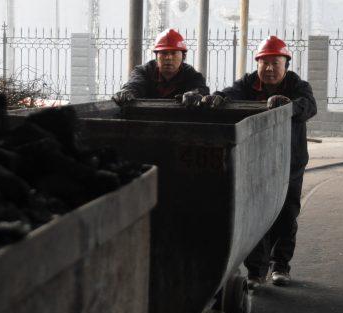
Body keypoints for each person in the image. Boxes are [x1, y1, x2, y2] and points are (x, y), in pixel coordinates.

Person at [202, 36, 317, 288]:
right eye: (264, 63)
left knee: (287, 214)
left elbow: (309, 105)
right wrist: (220, 97)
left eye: (275, 63)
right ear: (258, 64)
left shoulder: (297, 84)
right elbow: (231, 92)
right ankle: (255, 272)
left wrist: (289, 106)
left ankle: (281, 266)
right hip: (256, 162)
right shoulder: (248, 83)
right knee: (256, 215)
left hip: (290, 163)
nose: (268, 69)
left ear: (285, 63)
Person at [112, 28, 209, 107]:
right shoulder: (144, 71)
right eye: (164, 53)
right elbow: (135, 84)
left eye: (173, 53)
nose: (168, 57)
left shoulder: (191, 75)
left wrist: (195, 94)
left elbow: (200, 88)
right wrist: (127, 91)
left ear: (183, 57)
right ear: (156, 56)